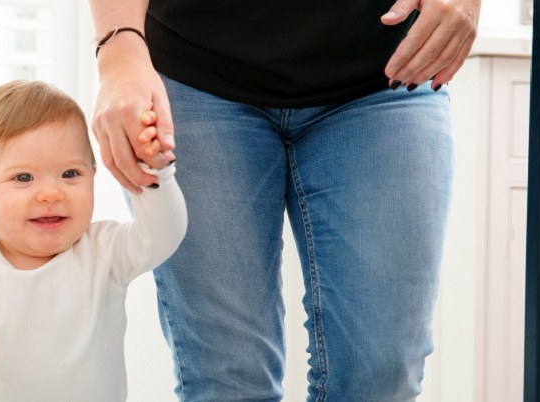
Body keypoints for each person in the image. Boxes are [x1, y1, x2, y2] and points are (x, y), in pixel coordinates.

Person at [86, 0, 479, 400]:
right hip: (193, 75)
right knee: (229, 380)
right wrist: (119, 49)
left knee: (379, 376)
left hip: (388, 73)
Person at [0, 80, 187, 401]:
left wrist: (155, 174)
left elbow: (165, 233)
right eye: (23, 178)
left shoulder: (103, 251)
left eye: (70, 174)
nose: (51, 193)